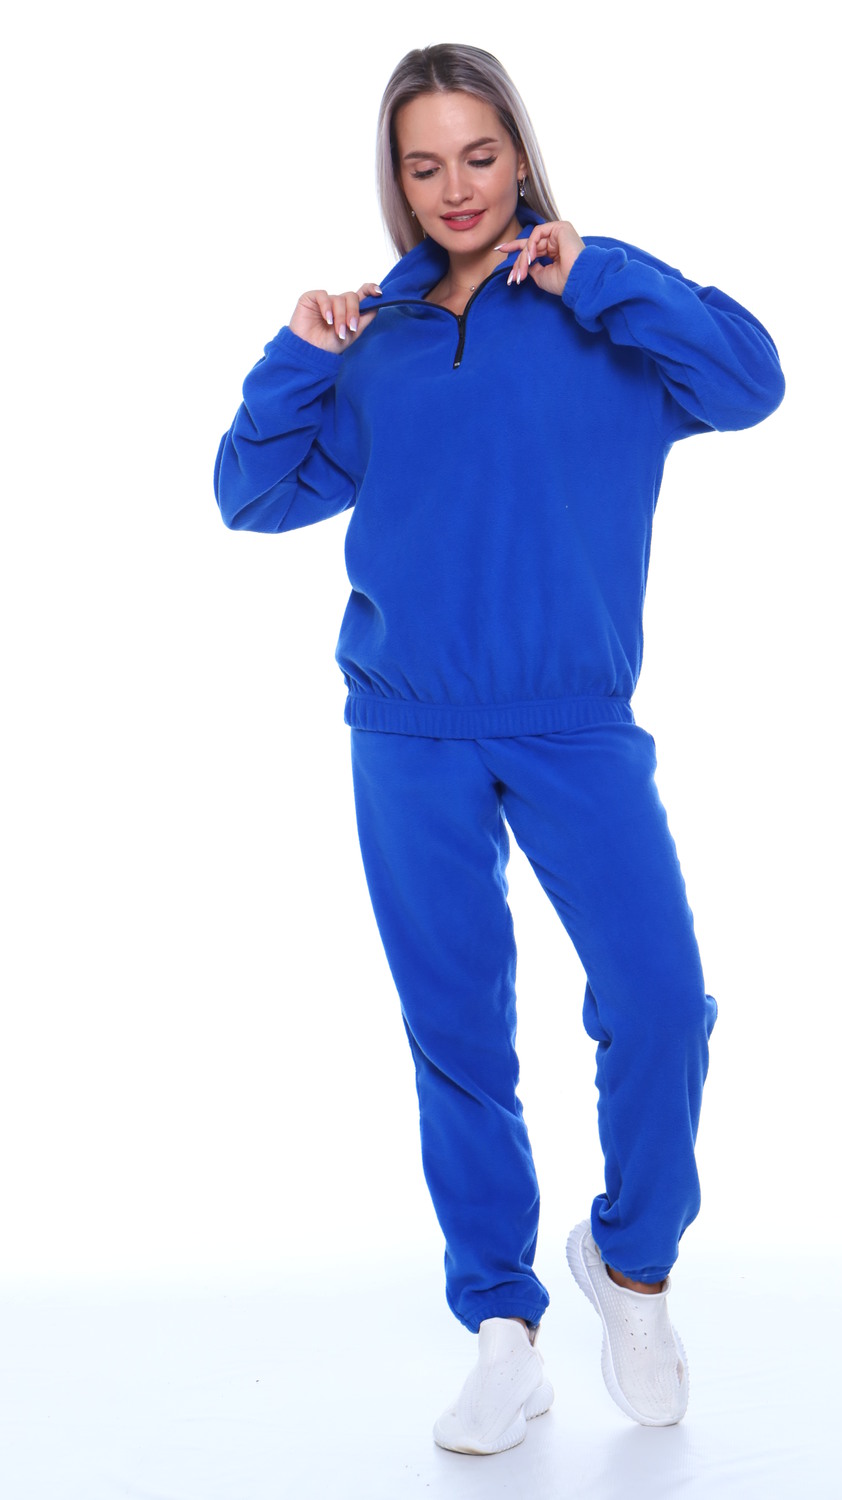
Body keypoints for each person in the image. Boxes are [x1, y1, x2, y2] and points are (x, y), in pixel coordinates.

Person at [214, 42, 784, 1456]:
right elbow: (252, 494)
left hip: (575, 722)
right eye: (424, 165)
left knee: (662, 1004)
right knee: (457, 1035)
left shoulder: (602, 314)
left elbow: (751, 380)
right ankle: (502, 1333)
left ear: (519, 154)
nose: (455, 188)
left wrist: (603, 270)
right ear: (397, 181)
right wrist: (302, 355)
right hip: (406, 726)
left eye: (478, 156)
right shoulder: (380, 340)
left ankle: (631, 1266)